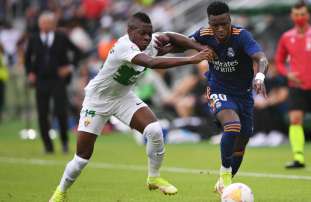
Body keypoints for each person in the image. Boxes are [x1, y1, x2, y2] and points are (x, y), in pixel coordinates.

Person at [49, 12, 213, 202]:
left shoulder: (150, 42)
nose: (147, 38)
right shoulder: (124, 46)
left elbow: (171, 37)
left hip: (123, 97)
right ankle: (60, 192)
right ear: (130, 31)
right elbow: (151, 62)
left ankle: (153, 177)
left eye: (149, 33)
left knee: (154, 130)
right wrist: (193, 58)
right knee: (82, 158)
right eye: (142, 33)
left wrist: (198, 46)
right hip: (97, 100)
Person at [190, 1, 268, 194]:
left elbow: (261, 58)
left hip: (243, 96)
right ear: (209, 23)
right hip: (218, 90)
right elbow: (183, 42)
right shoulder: (204, 34)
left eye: (224, 23)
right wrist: (162, 46)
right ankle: (225, 174)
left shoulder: (242, 36)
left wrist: (260, 76)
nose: (220, 29)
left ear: (230, 20)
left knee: (242, 142)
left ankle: (225, 184)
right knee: (233, 126)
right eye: (215, 25)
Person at [275, 1, 311, 169]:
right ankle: (298, 158)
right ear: (292, 16)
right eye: (296, 15)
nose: (300, 18)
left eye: (302, 14)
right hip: (296, 87)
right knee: (295, 119)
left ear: (308, 15)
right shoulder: (286, 37)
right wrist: (288, 74)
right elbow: (279, 62)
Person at [25, 12, 83, 154]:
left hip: (58, 80)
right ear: (39, 24)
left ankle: (64, 142)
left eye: (47, 23)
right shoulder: (34, 38)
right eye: (42, 23)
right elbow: (27, 58)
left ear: (53, 24)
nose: (44, 26)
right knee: (42, 113)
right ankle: (48, 146)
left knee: (60, 112)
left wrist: (69, 68)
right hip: (41, 80)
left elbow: (78, 52)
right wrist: (30, 73)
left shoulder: (61, 37)